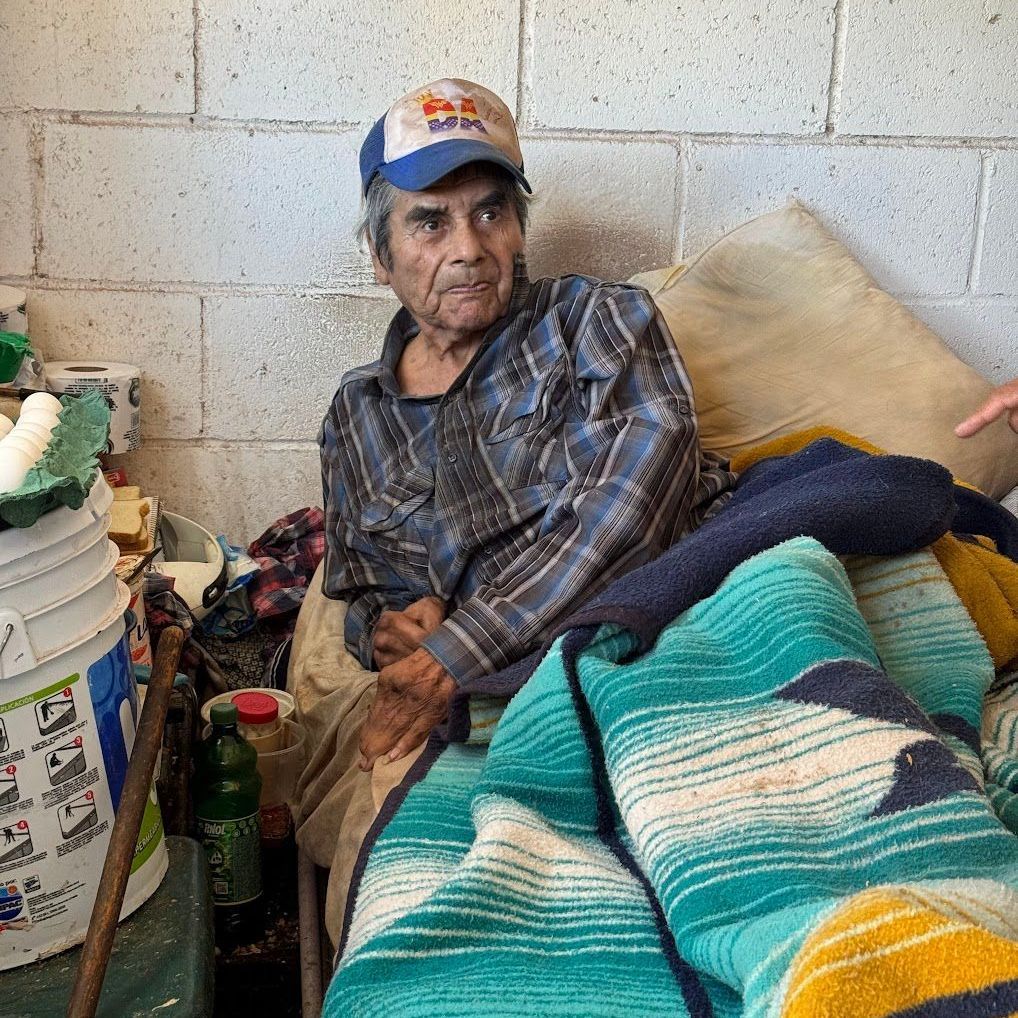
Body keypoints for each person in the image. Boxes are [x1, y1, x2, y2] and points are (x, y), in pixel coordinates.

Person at [319, 78, 733, 775]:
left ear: (518, 231)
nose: (469, 249)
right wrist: (388, 629)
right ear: (379, 254)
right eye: (429, 223)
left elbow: (634, 510)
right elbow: (359, 585)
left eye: (491, 214)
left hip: (663, 628)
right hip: (509, 680)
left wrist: (456, 650)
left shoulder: (596, 320)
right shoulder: (356, 416)